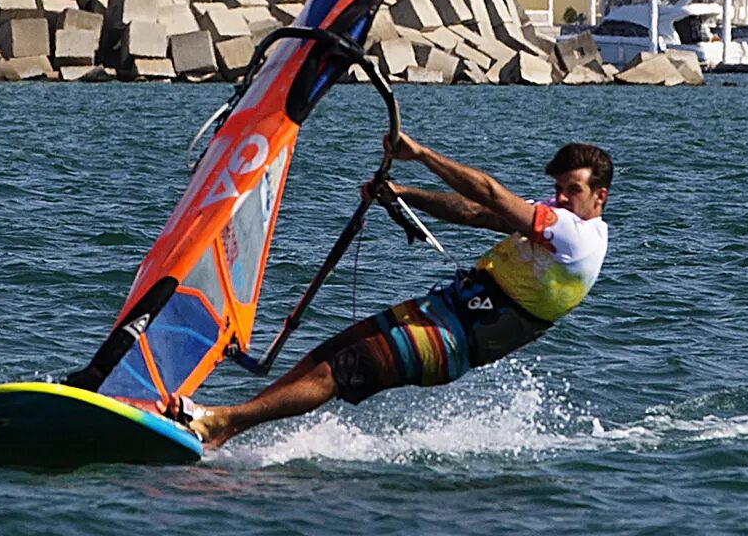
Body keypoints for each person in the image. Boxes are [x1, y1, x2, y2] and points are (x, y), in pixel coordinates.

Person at [176, 131, 614, 450]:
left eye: (571, 190)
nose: (559, 198)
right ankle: (223, 431)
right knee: (325, 356)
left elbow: (491, 192)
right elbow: (478, 211)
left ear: (600, 197)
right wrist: (404, 195)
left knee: (335, 372)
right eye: (557, 189)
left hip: (450, 341)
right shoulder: (559, 223)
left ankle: (219, 420)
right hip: (442, 313)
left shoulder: (579, 237)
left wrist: (420, 154)